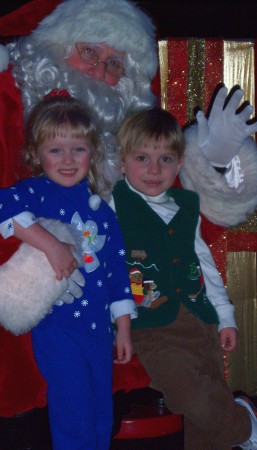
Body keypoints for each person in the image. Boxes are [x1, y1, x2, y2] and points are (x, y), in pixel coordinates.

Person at [0, 0, 257, 447]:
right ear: (57, 48)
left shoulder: (122, 130)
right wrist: (34, 259)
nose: (100, 70)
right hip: (22, 322)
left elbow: (170, 217)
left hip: (112, 323)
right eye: (89, 52)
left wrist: (210, 161)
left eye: (115, 63)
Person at [0, 93, 135, 449]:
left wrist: (124, 328)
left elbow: (117, 268)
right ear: (37, 155)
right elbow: (0, 205)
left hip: (99, 331)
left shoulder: (104, 211)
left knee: (101, 416)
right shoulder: (36, 192)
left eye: (78, 149)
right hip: (59, 327)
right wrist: (50, 244)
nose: (67, 160)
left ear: (93, 153)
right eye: (55, 150)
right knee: (74, 415)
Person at [111, 106, 257, 450]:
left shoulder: (185, 204)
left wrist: (225, 316)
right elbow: (109, 267)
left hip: (200, 318)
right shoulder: (114, 205)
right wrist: (119, 324)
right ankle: (245, 425)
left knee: (202, 431)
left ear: (179, 164)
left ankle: (231, 430)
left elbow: (204, 262)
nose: (154, 169)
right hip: (152, 324)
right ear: (122, 162)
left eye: (165, 159)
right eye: (142, 158)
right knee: (191, 398)